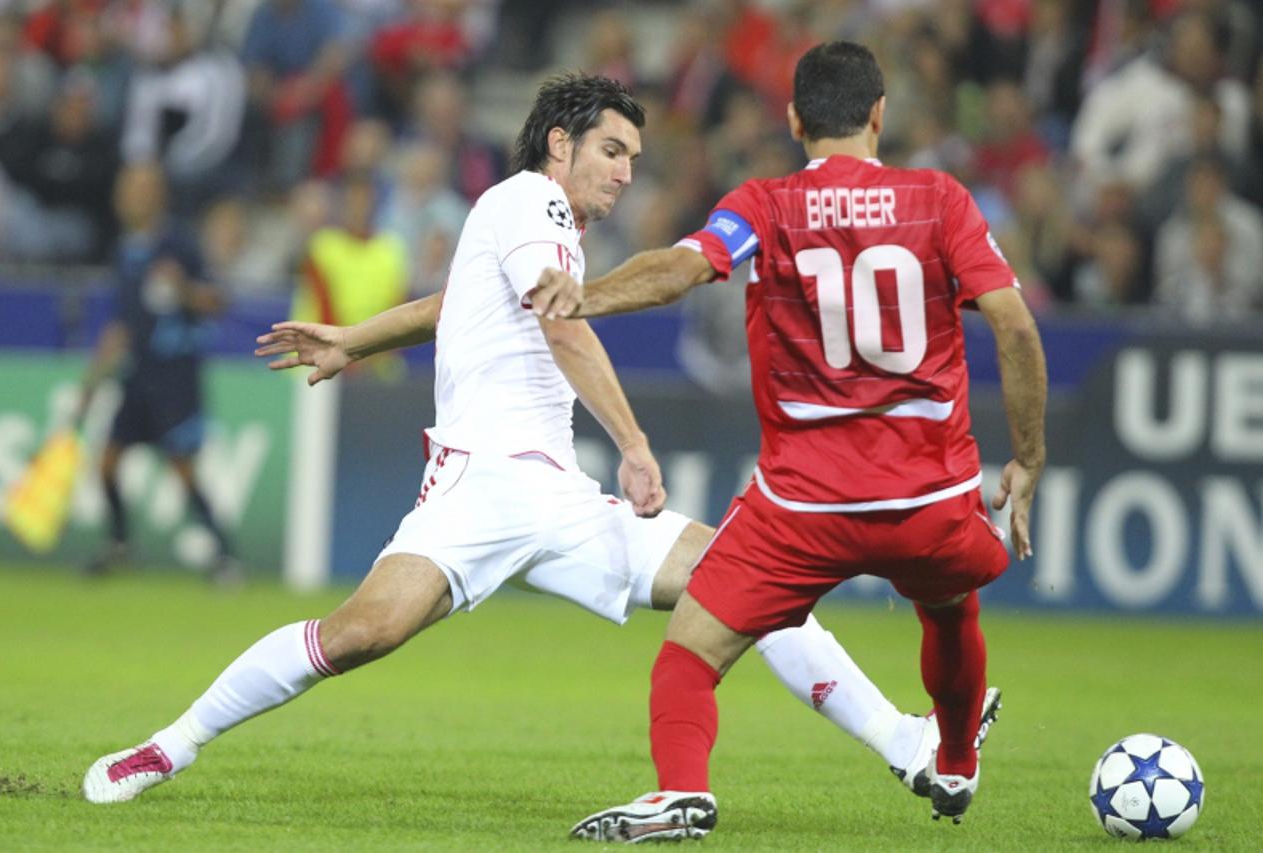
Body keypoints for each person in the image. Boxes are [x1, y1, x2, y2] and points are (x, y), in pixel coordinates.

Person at [82, 74, 994, 809]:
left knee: (744, 584)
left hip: (550, 494)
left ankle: (909, 741)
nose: (626, 172)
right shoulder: (534, 201)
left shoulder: (523, 219)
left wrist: (356, 338)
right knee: (358, 634)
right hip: (480, 487)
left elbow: (463, 304)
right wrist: (634, 442)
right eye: (611, 149)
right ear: (560, 144)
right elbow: (562, 328)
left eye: (634, 156)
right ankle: (168, 744)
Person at [529, 43, 1046, 841]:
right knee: (948, 613)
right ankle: (953, 761)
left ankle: (682, 791)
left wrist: (583, 296)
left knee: (691, 652)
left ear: (795, 119)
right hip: (928, 496)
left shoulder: (764, 206)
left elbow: (685, 267)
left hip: (804, 502)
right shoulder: (940, 200)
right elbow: (1013, 323)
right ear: (879, 115)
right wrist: (1029, 454)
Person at [78, 162, 240, 584]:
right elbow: (121, 324)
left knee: (182, 468)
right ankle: (119, 545)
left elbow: (217, 301)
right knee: (107, 462)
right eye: (128, 187)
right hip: (137, 375)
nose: (134, 196)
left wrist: (183, 288)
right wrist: (93, 380)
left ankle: (224, 554)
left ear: (159, 195)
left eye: (143, 188)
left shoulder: (179, 245)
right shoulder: (123, 250)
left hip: (174, 376)